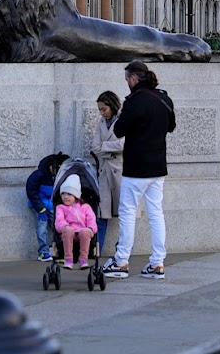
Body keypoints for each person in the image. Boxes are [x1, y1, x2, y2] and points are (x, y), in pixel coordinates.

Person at [103, 61, 175, 281]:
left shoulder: (135, 101)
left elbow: (118, 130)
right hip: (157, 167)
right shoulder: (164, 98)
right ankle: (157, 263)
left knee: (127, 213)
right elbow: (171, 126)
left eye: (127, 79)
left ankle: (122, 260)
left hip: (136, 167)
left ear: (133, 79)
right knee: (156, 214)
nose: (127, 83)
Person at [90, 91, 124, 256]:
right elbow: (95, 147)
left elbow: (125, 144)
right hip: (104, 173)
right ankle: (97, 252)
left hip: (121, 173)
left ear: (112, 105)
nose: (102, 112)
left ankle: (122, 253)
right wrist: (111, 148)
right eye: (100, 109)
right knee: (101, 216)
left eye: (104, 109)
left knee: (125, 216)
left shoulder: (123, 119)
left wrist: (105, 147)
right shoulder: (101, 122)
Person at [25, 152, 68, 262]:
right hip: (40, 205)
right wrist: (41, 208)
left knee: (58, 226)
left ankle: (58, 250)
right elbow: (31, 191)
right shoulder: (39, 174)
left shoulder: (59, 176)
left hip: (52, 205)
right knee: (42, 226)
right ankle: (43, 252)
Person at [54, 174, 98, 269]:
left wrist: (91, 228)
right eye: (63, 194)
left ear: (76, 195)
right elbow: (59, 220)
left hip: (83, 232)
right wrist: (65, 227)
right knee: (68, 230)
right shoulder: (60, 208)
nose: (65, 197)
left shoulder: (85, 207)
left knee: (85, 231)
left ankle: (83, 259)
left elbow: (91, 219)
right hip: (69, 234)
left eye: (69, 194)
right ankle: (68, 259)